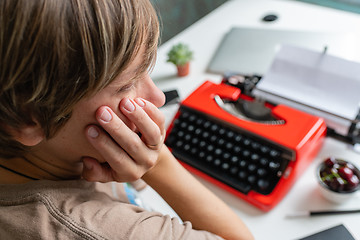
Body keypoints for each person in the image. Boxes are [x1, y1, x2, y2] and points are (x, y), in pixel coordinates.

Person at [0, 0, 254, 239]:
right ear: (26, 120)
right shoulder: (99, 229)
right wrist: (159, 164)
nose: (157, 98)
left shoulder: (52, 154)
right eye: (126, 85)